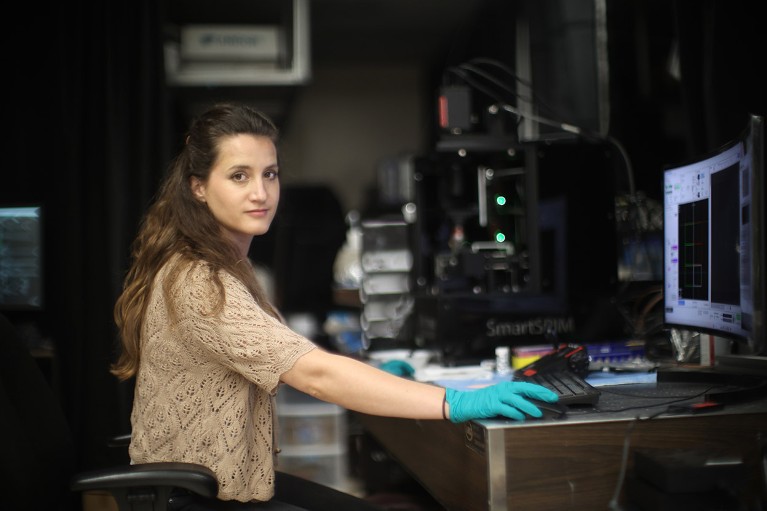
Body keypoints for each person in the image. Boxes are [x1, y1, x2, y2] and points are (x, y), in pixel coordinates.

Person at [110, 102, 559, 510]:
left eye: (270, 174)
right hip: (198, 497)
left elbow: (286, 355)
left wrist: (378, 378)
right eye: (239, 176)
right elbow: (314, 375)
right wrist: (457, 402)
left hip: (221, 485)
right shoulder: (202, 280)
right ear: (199, 188)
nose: (261, 193)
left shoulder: (228, 265)